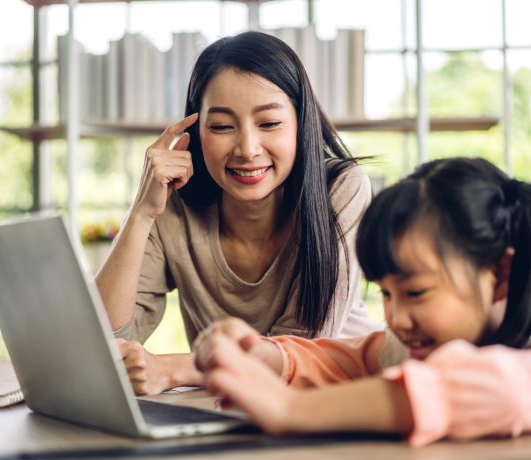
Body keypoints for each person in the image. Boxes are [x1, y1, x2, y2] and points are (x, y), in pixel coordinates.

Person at [95, 31, 379, 395]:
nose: (247, 149)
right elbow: (107, 337)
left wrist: (174, 369)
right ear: (196, 133)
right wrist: (141, 213)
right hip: (230, 409)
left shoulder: (341, 189)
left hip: (339, 402)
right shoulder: (174, 199)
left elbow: (302, 349)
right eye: (222, 126)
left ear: (300, 123)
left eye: (269, 124)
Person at [194, 157, 531, 446]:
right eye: (385, 293)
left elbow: (498, 387)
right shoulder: (418, 341)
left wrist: (289, 409)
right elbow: (354, 358)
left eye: (415, 293)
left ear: (499, 274)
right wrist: (267, 356)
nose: (397, 319)